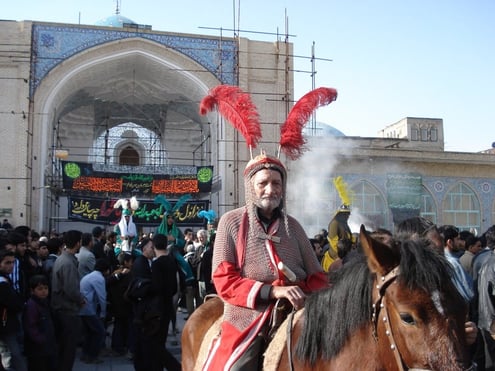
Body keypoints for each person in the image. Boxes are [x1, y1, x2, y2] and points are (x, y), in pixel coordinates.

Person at [203, 154, 329, 370]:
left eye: (276, 183)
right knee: (237, 367)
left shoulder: (294, 227)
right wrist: (273, 291)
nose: (271, 189)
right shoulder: (231, 222)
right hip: (249, 313)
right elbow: (224, 279)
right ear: (251, 187)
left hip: (297, 309)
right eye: (263, 183)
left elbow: (317, 277)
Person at [51, 230, 85, 371]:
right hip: (67, 310)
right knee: (68, 349)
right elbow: (71, 289)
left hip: (62, 308)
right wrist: (81, 300)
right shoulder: (67, 263)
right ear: (78, 243)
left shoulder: (64, 259)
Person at [79, 258, 110, 364]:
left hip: (83, 308)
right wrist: (103, 313)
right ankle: (92, 355)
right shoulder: (99, 278)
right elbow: (102, 297)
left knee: (89, 332)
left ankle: (85, 354)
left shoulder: (90, 276)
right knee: (100, 332)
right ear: (106, 270)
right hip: (88, 308)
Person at [22, 275, 57, 371]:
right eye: (40, 289)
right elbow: (31, 326)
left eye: (46, 288)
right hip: (37, 348)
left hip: (47, 346)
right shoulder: (32, 305)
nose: (44, 291)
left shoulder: (45, 302)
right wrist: (41, 340)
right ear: (32, 291)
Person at [0, 249, 26, 371]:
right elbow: (15, 304)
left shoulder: (5, 279)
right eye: (7, 263)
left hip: (7, 323)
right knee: (13, 355)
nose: (11, 266)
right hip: (5, 325)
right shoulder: (2, 283)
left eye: (12, 262)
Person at [322, 176, 354, 272]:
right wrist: (339, 258)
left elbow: (349, 236)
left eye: (348, 214)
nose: (348, 216)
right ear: (341, 214)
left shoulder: (344, 223)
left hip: (346, 254)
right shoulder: (334, 223)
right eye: (346, 214)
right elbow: (333, 242)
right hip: (335, 257)